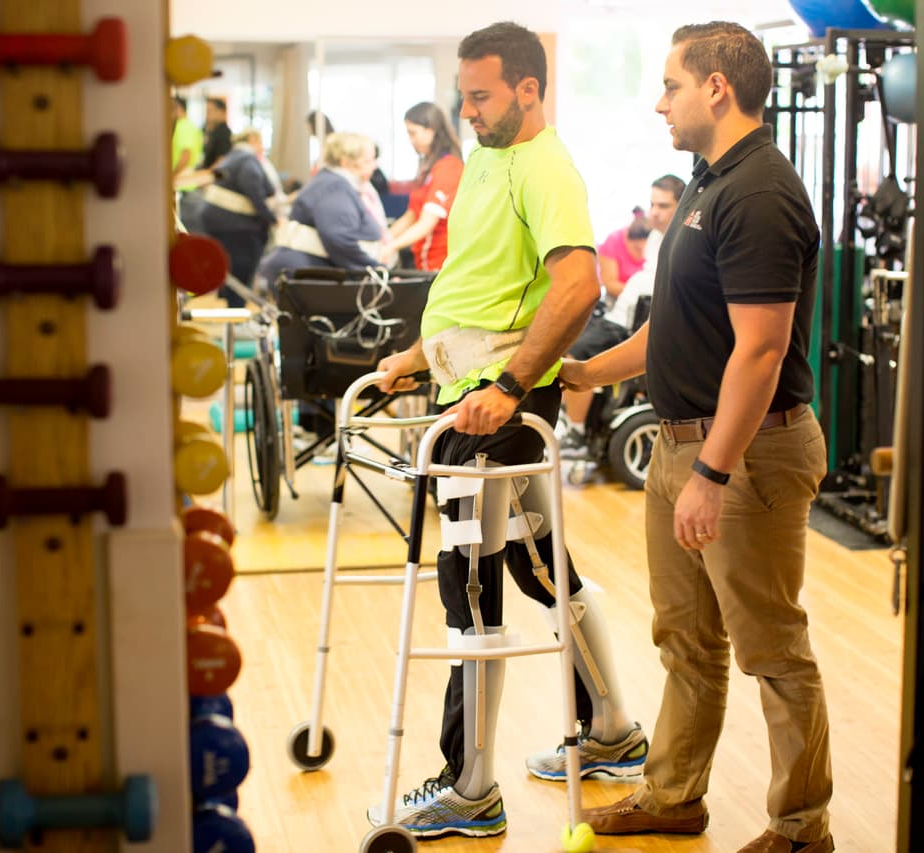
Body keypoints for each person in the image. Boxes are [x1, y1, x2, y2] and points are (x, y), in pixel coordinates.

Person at [369, 21, 646, 841]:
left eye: (482, 95)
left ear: (529, 88)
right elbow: (480, 283)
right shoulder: (489, 155)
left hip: (497, 410)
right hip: (468, 394)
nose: (469, 110)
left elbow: (577, 285)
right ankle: (612, 731)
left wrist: (510, 385)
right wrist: (418, 355)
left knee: (471, 583)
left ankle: (471, 787)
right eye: (464, 95)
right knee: (538, 566)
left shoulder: (546, 167)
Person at [562, 22, 833, 853]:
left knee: (772, 648)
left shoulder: (759, 193)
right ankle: (675, 794)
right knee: (685, 639)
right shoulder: (707, 182)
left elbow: (761, 351)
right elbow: (674, 327)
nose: (660, 103)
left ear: (717, 88)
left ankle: (802, 828)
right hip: (682, 446)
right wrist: (583, 372)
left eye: (672, 85)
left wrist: (712, 473)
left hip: (744, 454)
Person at [558, 174, 685, 450]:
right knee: (564, 338)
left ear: (681, 204)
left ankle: (576, 430)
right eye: (652, 204)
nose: (654, 212)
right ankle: (572, 418)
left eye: (663, 206)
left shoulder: (682, 240)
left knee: (578, 351)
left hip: (634, 326)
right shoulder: (655, 237)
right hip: (618, 316)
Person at [257, 132, 384, 291]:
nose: (374, 166)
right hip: (306, 275)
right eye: (368, 161)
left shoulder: (331, 183)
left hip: (305, 271)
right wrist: (374, 269)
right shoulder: (334, 187)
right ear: (345, 162)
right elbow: (338, 239)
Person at [179, 131, 276, 306]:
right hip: (236, 225)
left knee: (229, 268)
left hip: (216, 220)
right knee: (241, 270)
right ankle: (236, 308)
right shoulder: (247, 159)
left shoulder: (231, 158)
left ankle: (230, 304)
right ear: (253, 140)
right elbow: (255, 189)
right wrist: (271, 218)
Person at [382, 101, 464, 272]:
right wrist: (384, 239)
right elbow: (412, 215)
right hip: (424, 262)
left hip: (441, 263)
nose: (410, 140)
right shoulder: (428, 167)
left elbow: (427, 222)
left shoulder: (449, 167)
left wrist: (392, 246)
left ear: (430, 130)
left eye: (413, 133)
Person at [597, 208, 651, 303]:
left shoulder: (655, 242)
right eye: (636, 248)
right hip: (616, 301)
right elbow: (610, 285)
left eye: (646, 248)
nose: (642, 252)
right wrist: (641, 292)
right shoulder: (613, 241)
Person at [171, 95, 203, 184]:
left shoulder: (183, 126)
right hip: (185, 181)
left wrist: (171, 176)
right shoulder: (189, 125)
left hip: (182, 183)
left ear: (177, 108)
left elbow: (186, 154)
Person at [200, 96, 233, 169]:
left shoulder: (224, 133)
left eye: (210, 110)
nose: (207, 114)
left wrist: (206, 173)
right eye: (206, 111)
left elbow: (222, 161)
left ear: (221, 112)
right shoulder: (212, 131)